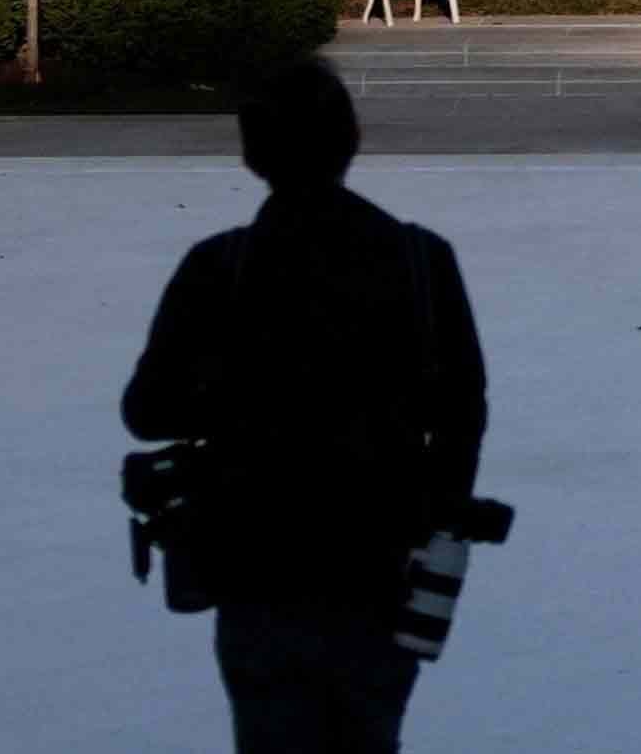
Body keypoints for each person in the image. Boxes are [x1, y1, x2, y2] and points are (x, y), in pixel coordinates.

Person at [123, 60, 490, 754]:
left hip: (255, 568)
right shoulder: (421, 262)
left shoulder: (217, 267)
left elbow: (146, 410)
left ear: (251, 152)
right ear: (350, 139)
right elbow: (463, 415)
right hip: (380, 568)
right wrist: (433, 519)